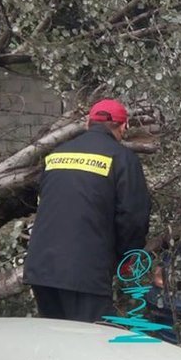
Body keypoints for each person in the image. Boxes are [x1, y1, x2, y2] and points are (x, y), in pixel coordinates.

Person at [23, 99, 151, 323]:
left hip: (42, 270)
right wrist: (128, 257)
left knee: (56, 342)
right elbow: (133, 218)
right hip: (85, 273)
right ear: (124, 127)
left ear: (87, 123)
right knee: (91, 344)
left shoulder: (56, 155)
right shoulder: (121, 159)